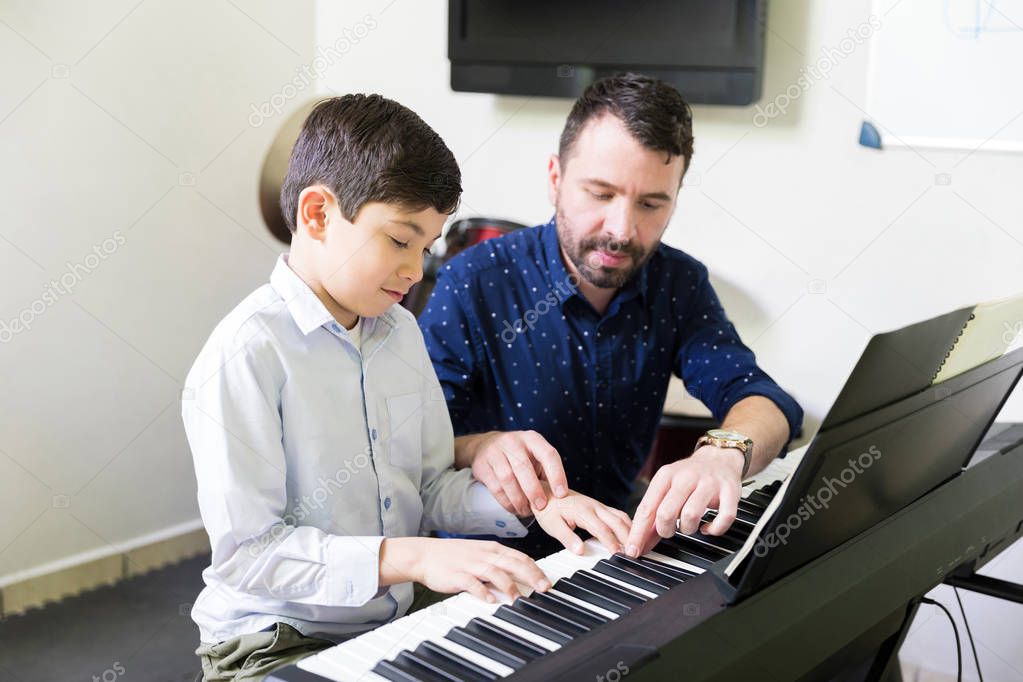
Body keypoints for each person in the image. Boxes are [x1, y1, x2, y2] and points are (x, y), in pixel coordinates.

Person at [182, 94, 631, 681]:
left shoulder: (400, 332)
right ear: (317, 214)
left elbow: (429, 485)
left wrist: (536, 502)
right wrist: (417, 556)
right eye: (400, 240)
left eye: (427, 246)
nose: (416, 271)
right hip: (273, 640)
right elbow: (250, 558)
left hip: (387, 617)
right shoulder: (246, 354)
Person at [419, 73, 804, 561]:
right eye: (600, 195)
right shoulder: (474, 280)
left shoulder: (678, 282)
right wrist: (479, 447)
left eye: (650, 204)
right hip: (490, 563)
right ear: (555, 179)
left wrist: (722, 455)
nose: (621, 230)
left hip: (618, 552)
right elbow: (411, 444)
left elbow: (765, 400)